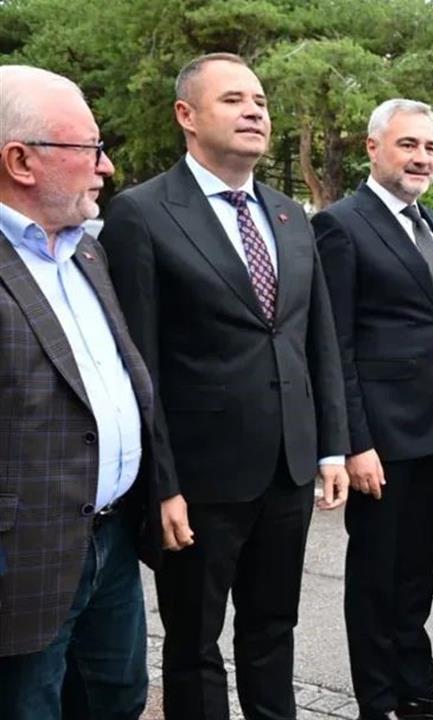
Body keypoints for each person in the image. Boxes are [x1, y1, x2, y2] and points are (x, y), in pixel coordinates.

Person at [98, 53, 351, 720]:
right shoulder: (142, 215)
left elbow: (315, 335)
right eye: (235, 100)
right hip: (200, 484)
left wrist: (331, 446)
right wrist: (162, 484)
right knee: (194, 644)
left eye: (261, 102)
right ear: (187, 115)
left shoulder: (288, 215)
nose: (255, 112)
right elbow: (138, 364)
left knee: (273, 629)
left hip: (289, 469)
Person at [0, 65, 172, 720]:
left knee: (117, 698)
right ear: (21, 160)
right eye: (91, 148)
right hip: (22, 560)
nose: (107, 166)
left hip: (111, 543)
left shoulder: (86, 252)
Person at [312, 99, 433, 720]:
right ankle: (379, 699)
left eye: (430, 148)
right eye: (407, 145)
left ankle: (418, 684)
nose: (421, 158)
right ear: (373, 148)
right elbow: (334, 344)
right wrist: (352, 442)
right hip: (379, 441)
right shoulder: (341, 225)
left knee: (416, 570)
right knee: (375, 576)